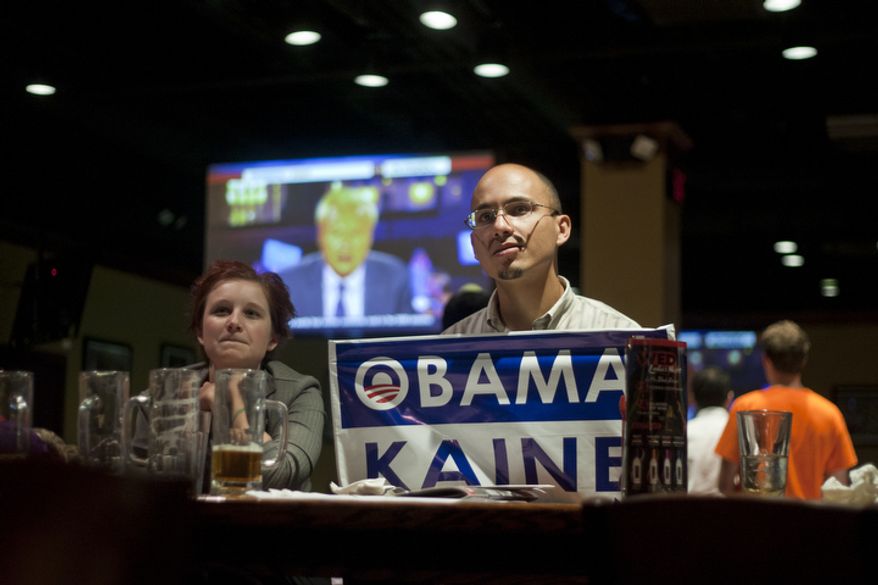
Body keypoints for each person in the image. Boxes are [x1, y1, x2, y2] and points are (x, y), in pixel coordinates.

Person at [442, 163, 640, 334]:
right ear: (474, 245)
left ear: (561, 229)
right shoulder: (445, 353)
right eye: (485, 217)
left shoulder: (622, 341)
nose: (500, 227)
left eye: (519, 209)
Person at [191, 259, 325, 491]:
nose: (234, 322)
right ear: (200, 332)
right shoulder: (171, 391)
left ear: (273, 338)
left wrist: (227, 402)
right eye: (221, 310)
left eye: (251, 313)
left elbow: (278, 476)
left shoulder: (300, 392)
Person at [714, 320, 857, 499]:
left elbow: (724, 484)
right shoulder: (830, 413)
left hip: (759, 520)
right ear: (804, 360)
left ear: (765, 360)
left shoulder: (746, 407)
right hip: (811, 522)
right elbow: (839, 487)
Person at [279, 183, 413, 319]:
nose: (345, 244)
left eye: (355, 233)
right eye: (337, 232)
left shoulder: (394, 278)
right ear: (319, 235)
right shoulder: (291, 284)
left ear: (370, 237)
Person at [686, 367, 733, 494]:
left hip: (687, 509)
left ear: (693, 399)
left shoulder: (684, 432)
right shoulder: (738, 432)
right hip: (730, 510)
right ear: (729, 397)